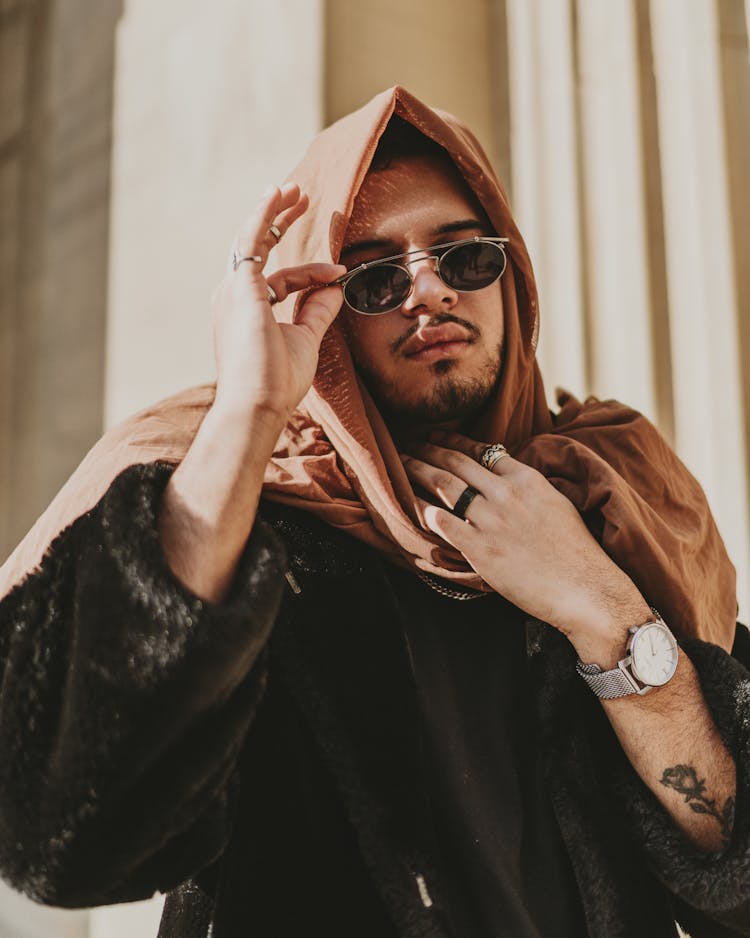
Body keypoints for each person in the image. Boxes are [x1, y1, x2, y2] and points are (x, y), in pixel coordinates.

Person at [0, 85, 748, 938]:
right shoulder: (252, 514)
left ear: (515, 279)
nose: (427, 293)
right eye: (374, 277)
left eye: (465, 257)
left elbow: (735, 884)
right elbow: (64, 834)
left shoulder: (611, 496)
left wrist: (604, 610)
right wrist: (252, 410)